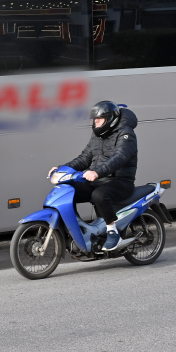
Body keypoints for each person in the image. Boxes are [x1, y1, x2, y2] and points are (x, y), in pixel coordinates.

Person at [48, 100, 138, 251]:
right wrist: (62, 168)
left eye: (99, 119)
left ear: (110, 119)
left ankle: (112, 232)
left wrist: (97, 172)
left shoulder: (126, 134)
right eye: (94, 119)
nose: (95, 122)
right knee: (69, 190)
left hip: (120, 181)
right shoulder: (98, 135)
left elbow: (119, 158)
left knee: (99, 195)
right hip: (99, 179)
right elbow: (84, 158)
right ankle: (78, 232)